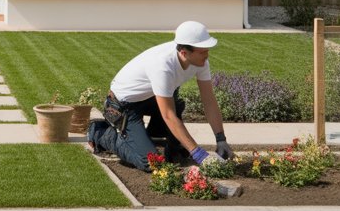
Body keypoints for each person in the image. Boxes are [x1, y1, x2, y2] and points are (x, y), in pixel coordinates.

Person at [86, 21, 234, 170]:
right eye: (202, 51)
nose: (207, 56)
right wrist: (198, 154)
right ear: (184, 52)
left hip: (151, 97)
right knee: (151, 162)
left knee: (171, 154)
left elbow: (209, 100)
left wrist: (221, 140)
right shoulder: (163, 65)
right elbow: (169, 115)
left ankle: (151, 135)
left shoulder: (200, 62)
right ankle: (100, 133)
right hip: (124, 104)